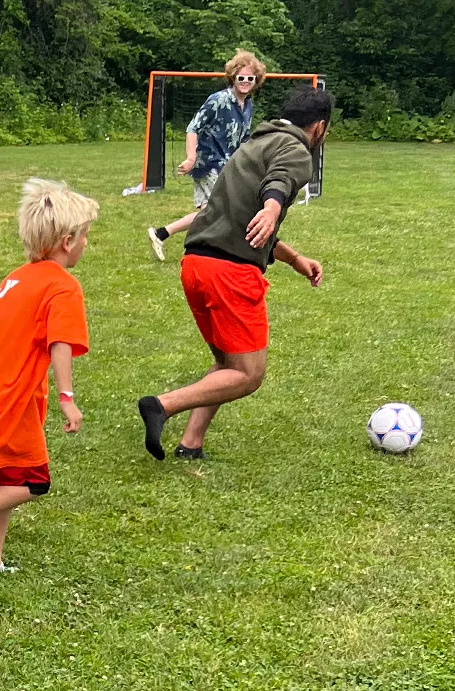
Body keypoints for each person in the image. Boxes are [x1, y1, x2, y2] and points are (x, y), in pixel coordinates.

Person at [137, 86, 333, 461]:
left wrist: (295, 259)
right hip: (230, 273)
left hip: (196, 264)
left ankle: (191, 443)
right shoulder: (295, 151)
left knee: (228, 362)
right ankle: (161, 405)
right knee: (248, 374)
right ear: (319, 127)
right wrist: (274, 208)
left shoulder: (252, 145)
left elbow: (243, 222)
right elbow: (280, 182)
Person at [0, 177, 97, 573]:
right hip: (11, 397)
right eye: (86, 236)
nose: (87, 243)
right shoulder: (63, 286)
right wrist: (67, 398)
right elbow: (61, 342)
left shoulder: (17, 277)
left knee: (7, 476)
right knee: (33, 483)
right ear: (67, 240)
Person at [145, 49, 265, 262]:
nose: (245, 82)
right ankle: (205, 251)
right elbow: (193, 128)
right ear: (233, 77)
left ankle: (161, 234)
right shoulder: (218, 100)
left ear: (256, 80)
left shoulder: (248, 106)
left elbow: (243, 139)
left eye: (250, 78)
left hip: (227, 164)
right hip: (209, 163)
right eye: (241, 78)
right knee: (220, 211)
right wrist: (191, 158)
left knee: (208, 212)